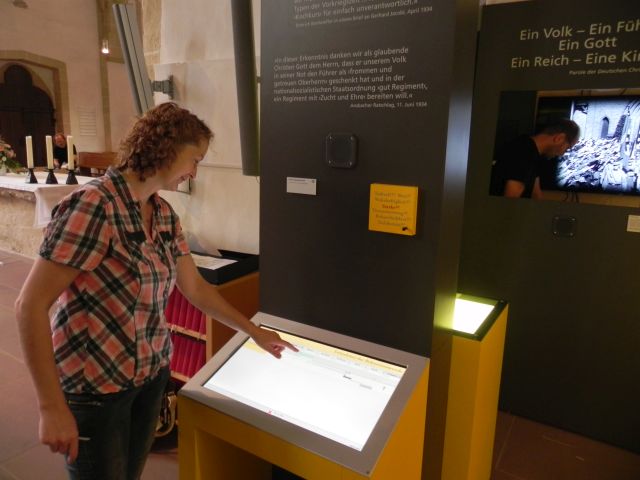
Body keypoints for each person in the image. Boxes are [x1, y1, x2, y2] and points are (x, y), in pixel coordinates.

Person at [15, 102, 297, 480]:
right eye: (195, 159)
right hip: (95, 385)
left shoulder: (163, 214)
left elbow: (194, 288)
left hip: (149, 376)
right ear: (167, 149)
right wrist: (50, 407)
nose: (194, 172)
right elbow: (29, 306)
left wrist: (253, 332)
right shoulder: (93, 206)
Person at [490, 118, 580, 199]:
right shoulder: (524, 152)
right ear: (559, 138)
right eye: (567, 148)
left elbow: (536, 194)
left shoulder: (532, 151)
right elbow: (510, 201)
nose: (562, 154)